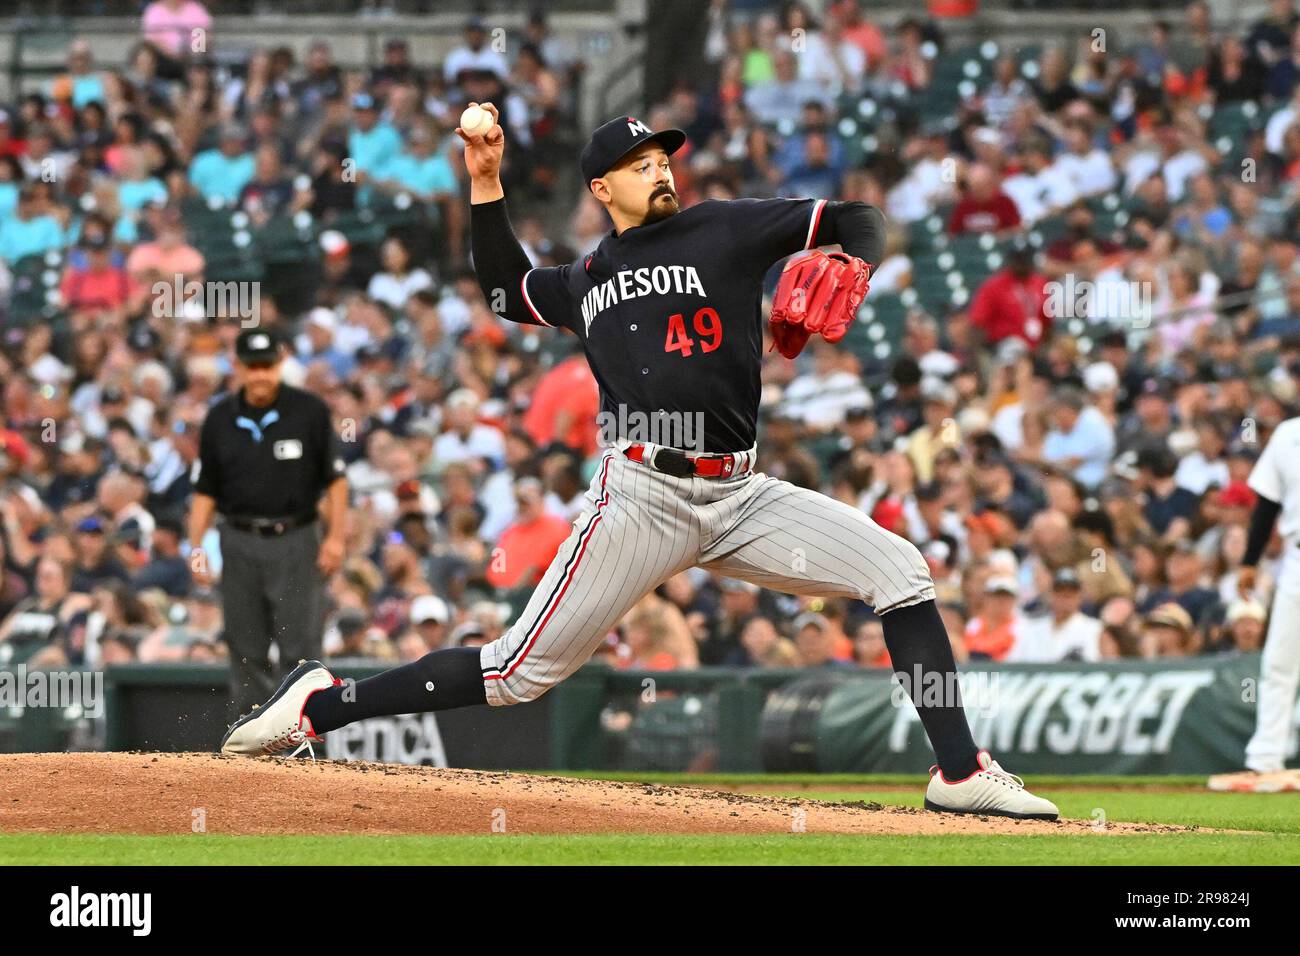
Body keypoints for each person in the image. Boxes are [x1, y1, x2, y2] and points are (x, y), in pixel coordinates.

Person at [221, 107, 1058, 821]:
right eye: (637, 163)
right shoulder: (589, 276)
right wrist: (485, 180)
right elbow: (507, 291)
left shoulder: (726, 224)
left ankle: (959, 773)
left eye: (662, 158)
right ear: (601, 190)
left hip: (741, 491)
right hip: (642, 498)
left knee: (902, 572)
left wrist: (855, 261)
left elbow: (856, 213)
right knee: (517, 673)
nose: (658, 170)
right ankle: (318, 704)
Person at [188, 328, 348, 715]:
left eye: (267, 366)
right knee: (244, 647)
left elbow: (336, 481)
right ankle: (249, 741)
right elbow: (205, 491)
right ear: (237, 367)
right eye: (252, 366)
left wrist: (336, 539)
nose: (260, 374)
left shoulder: (309, 411)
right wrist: (195, 547)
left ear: (280, 365)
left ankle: (305, 733)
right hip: (237, 539)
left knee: (301, 649)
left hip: (296, 536)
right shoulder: (219, 418)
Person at [1209, 402, 1300, 792]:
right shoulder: (1287, 434)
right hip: (1297, 557)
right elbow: (1267, 503)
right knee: (1279, 660)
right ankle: (1265, 760)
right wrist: (1250, 560)